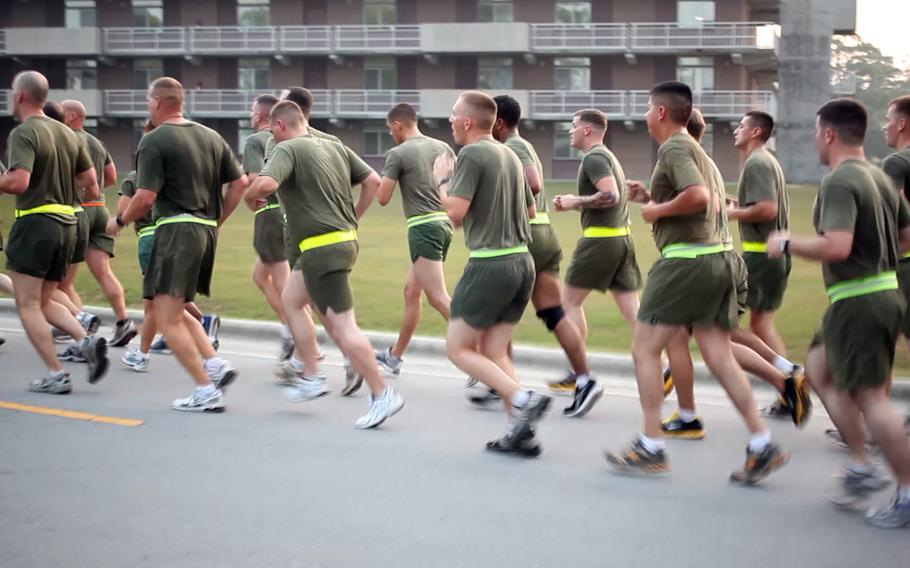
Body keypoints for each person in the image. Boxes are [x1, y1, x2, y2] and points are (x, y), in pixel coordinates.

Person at [605, 81, 788, 483]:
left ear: (660, 113)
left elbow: (699, 198)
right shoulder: (699, 151)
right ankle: (762, 442)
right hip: (719, 258)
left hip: (687, 263)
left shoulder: (673, 147)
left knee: (644, 350)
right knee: (719, 356)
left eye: (647, 108)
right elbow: (696, 198)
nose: (645, 116)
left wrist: (653, 212)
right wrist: (650, 196)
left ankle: (651, 446)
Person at [768, 98, 910, 527]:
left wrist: (787, 243)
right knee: (818, 367)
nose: (815, 139)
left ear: (828, 133)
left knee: (870, 397)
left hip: (860, 299)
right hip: (877, 293)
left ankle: (905, 490)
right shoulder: (880, 176)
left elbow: (837, 246)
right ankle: (862, 466)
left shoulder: (840, 181)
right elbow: (905, 236)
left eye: (815, 132)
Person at [245, 99, 405, 429]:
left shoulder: (287, 149)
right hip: (336, 242)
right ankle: (312, 375)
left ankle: (383, 393)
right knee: (291, 300)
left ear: (279, 126)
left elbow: (266, 184)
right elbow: (373, 181)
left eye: (272, 133)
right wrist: (353, 218)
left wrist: (251, 195)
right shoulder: (333, 145)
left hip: (321, 248)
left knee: (344, 326)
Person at [661, 110, 811, 439]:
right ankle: (787, 381)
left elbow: (766, 209)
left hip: (760, 255)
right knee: (751, 326)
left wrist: (731, 212)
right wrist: (731, 203)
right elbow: (755, 203)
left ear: (756, 132)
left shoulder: (757, 162)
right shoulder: (764, 161)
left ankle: (787, 377)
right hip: (764, 256)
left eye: (741, 126)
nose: (735, 130)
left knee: (722, 331)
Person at [106, 77, 246, 412]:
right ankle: (214, 365)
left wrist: (120, 221)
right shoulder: (211, 136)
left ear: (156, 102)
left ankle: (205, 390)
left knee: (166, 318)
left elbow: (145, 196)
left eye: (147, 102)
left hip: (174, 231)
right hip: (203, 231)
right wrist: (217, 221)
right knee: (175, 307)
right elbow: (241, 183)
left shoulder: (154, 140)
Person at [437, 91, 551, 456]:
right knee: (495, 350)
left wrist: (442, 179)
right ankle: (521, 431)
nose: (450, 120)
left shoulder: (470, 154)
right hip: (522, 263)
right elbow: (531, 214)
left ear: (468, 121)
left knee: (458, 348)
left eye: (454, 115)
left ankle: (523, 397)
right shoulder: (511, 155)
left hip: (490, 264)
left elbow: (454, 213)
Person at [0, 70, 109, 393]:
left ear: (20, 96)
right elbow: (91, 182)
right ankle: (85, 340)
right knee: (46, 298)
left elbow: (17, 182)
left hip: (36, 222)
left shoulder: (24, 133)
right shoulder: (68, 133)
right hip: (69, 224)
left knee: (28, 303)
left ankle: (56, 373)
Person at [374, 103, 455, 376]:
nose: (390, 134)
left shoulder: (397, 154)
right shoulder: (443, 147)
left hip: (423, 228)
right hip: (444, 224)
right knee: (412, 292)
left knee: (438, 298)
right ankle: (395, 356)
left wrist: (376, 179)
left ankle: (479, 355)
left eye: (389, 129)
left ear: (398, 124)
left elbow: (383, 199)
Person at [59, 99, 137, 349]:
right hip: (100, 211)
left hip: (77, 211)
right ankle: (124, 321)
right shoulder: (96, 142)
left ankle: (78, 326)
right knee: (103, 272)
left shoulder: (65, 138)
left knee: (63, 282)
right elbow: (112, 176)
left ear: (71, 115)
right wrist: (95, 191)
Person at [242, 93, 294, 360]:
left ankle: (297, 335)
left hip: (268, 212)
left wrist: (247, 196)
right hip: (287, 214)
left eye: (253, 111)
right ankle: (289, 330)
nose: (251, 115)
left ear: (262, 115)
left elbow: (253, 178)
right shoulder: (287, 139)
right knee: (260, 276)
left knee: (284, 282)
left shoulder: (256, 141)